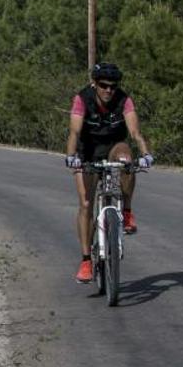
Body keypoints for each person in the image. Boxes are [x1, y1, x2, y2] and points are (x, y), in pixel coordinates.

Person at [65, 63, 154, 283]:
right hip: (87, 151)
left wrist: (146, 154)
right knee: (86, 204)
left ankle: (127, 210)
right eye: (103, 86)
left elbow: (135, 132)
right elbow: (74, 132)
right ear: (94, 84)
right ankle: (86, 261)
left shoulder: (124, 99)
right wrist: (71, 155)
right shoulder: (82, 98)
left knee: (127, 160)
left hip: (114, 146)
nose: (108, 91)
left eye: (113, 87)